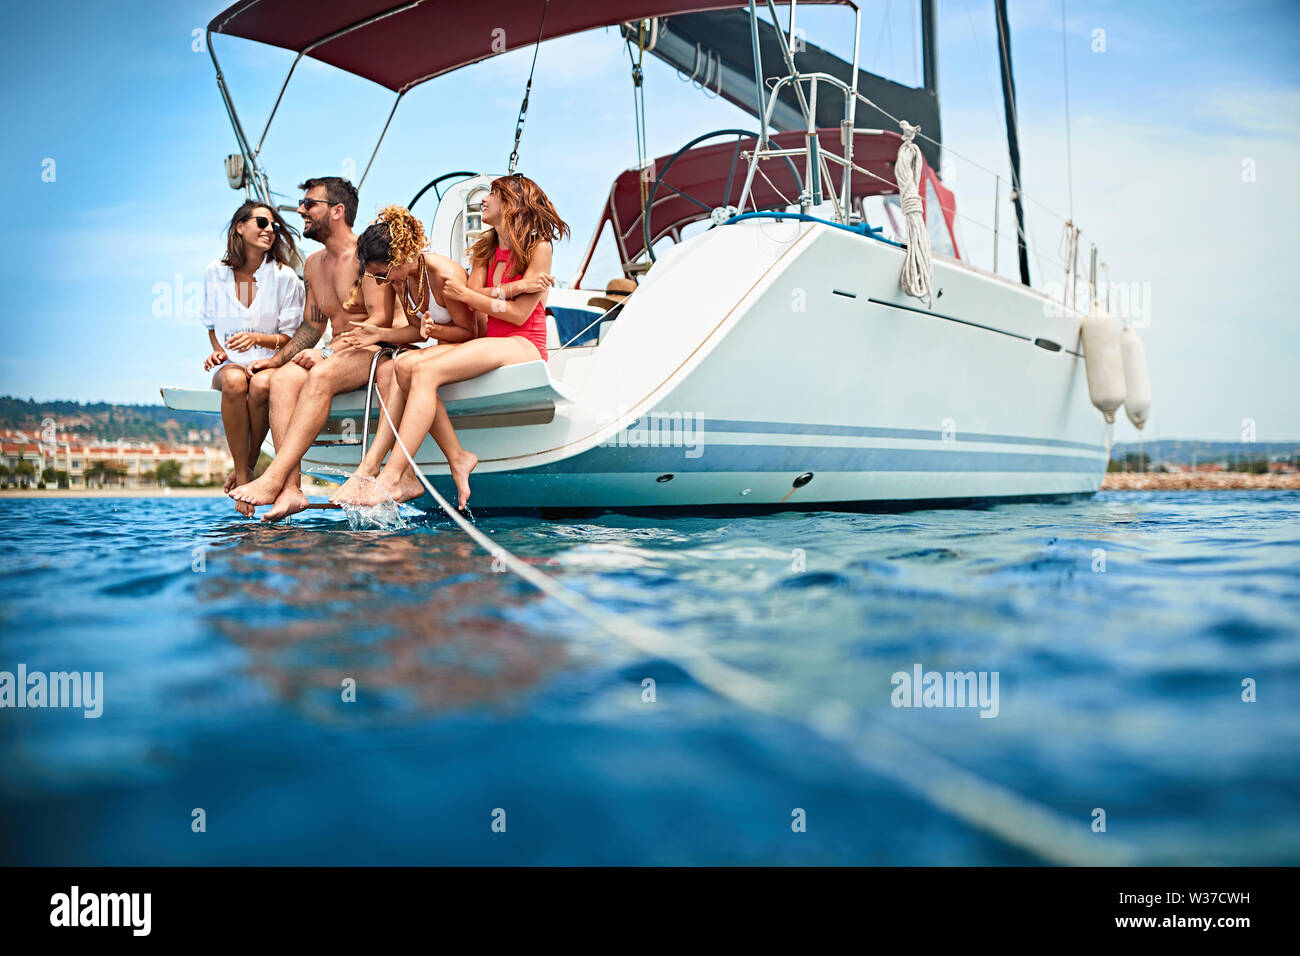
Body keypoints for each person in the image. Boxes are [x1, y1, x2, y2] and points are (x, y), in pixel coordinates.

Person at [348, 174, 568, 510]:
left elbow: (518, 316)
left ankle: (393, 475)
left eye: (492, 194)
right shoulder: (485, 247)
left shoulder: (539, 248)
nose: (483, 200)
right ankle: (458, 457)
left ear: (511, 202)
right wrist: (511, 288)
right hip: (492, 342)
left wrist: (484, 294)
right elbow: (475, 295)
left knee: (424, 373)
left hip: (524, 343)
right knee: (405, 366)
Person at [228, 177, 397, 520]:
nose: (301, 210)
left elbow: (382, 322)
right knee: (281, 380)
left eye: (309, 204)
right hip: (336, 352)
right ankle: (291, 490)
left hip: (372, 351)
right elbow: (312, 327)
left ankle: (273, 476)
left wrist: (328, 353)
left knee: (319, 374)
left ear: (337, 211)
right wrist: (274, 361)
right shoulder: (313, 264)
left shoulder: (365, 256)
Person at [329, 206, 480, 506]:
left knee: (406, 365)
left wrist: (433, 329)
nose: (380, 282)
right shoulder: (400, 279)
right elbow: (415, 331)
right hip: (443, 346)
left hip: (470, 347)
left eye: (381, 274)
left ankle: (387, 472)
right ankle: (380, 469)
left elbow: (469, 332)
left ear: (397, 258)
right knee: (394, 367)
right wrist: (378, 335)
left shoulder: (443, 275)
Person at [201, 201, 303, 517]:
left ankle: (249, 463)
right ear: (239, 227)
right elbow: (211, 326)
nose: (269, 229)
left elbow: (292, 336)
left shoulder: (286, 277)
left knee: (260, 384)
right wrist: (219, 351)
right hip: (230, 364)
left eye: (273, 225)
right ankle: (244, 475)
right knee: (233, 379)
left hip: (271, 364)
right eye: (261, 222)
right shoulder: (214, 272)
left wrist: (258, 340)